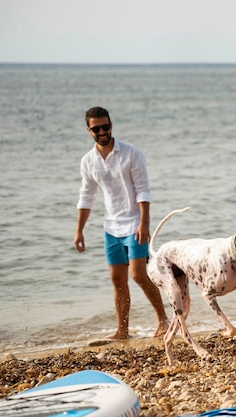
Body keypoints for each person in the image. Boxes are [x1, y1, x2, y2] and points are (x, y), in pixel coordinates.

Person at [73, 106, 168, 340]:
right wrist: (79, 231)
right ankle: (122, 330)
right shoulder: (88, 161)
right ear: (89, 130)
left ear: (111, 126)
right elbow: (86, 197)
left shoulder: (131, 153)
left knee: (137, 274)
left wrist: (144, 223)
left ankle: (163, 320)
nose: (102, 131)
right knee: (117, 279)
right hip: (110, 227)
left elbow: (143, 190)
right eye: (97, 128)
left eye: (106, 126)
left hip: (135, 223)